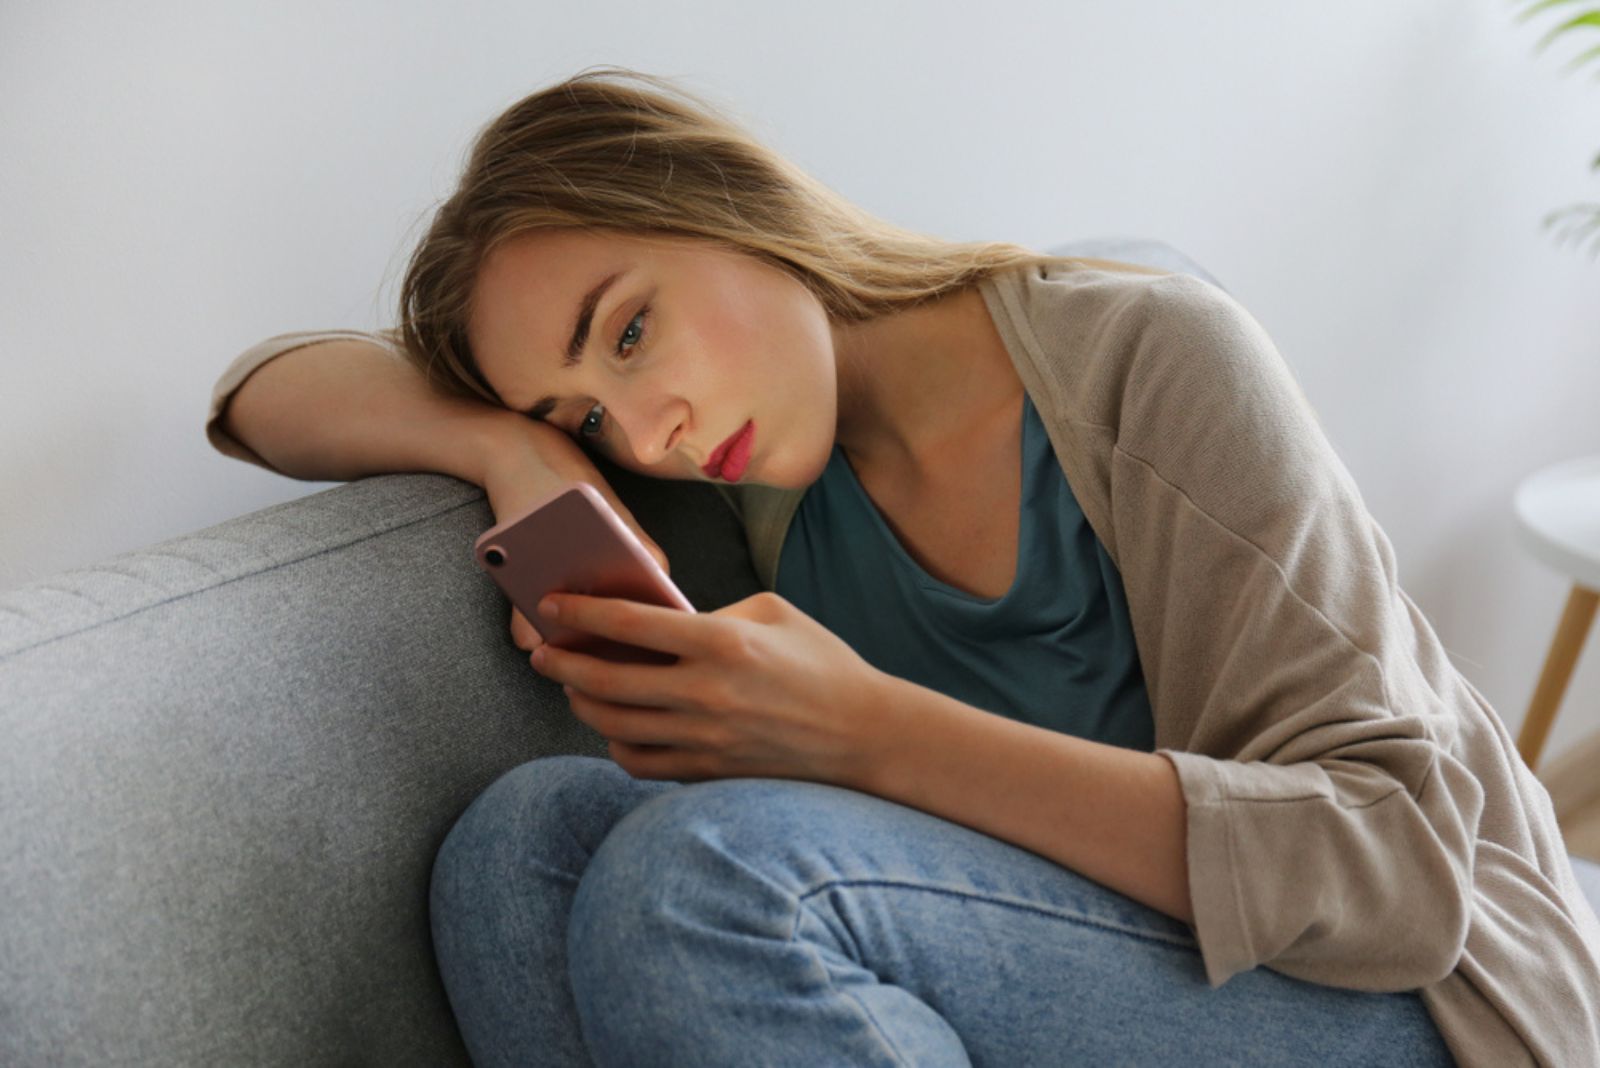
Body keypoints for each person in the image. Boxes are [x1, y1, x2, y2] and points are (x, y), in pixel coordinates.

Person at [205, 66, 1600, 1067]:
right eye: (585, 412)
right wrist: (519, 455)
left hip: (1419, 998)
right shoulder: (733, 484)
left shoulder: (1148, 360)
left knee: (718, 876)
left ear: (732, 203)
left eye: (630, 332)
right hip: (1080, 960)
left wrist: (871, 736)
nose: (650, 432)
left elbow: (1402, 870)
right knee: (516, 851)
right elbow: (259, 395)